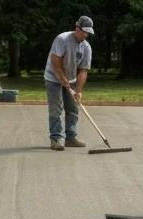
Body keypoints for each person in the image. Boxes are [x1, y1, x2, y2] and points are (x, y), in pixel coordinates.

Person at [44, 16, 94, 151]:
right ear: (77, 28)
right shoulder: (62, 39)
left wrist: (78, 91)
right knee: (56, 108)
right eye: (83, 31)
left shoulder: (86, 47)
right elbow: (55, 61)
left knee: (73, 108)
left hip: (71, 80)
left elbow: (83, 71)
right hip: (53, 78)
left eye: (87, 33)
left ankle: (70, 138)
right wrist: (62, 79)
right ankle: (56, 139)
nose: (85, 35)